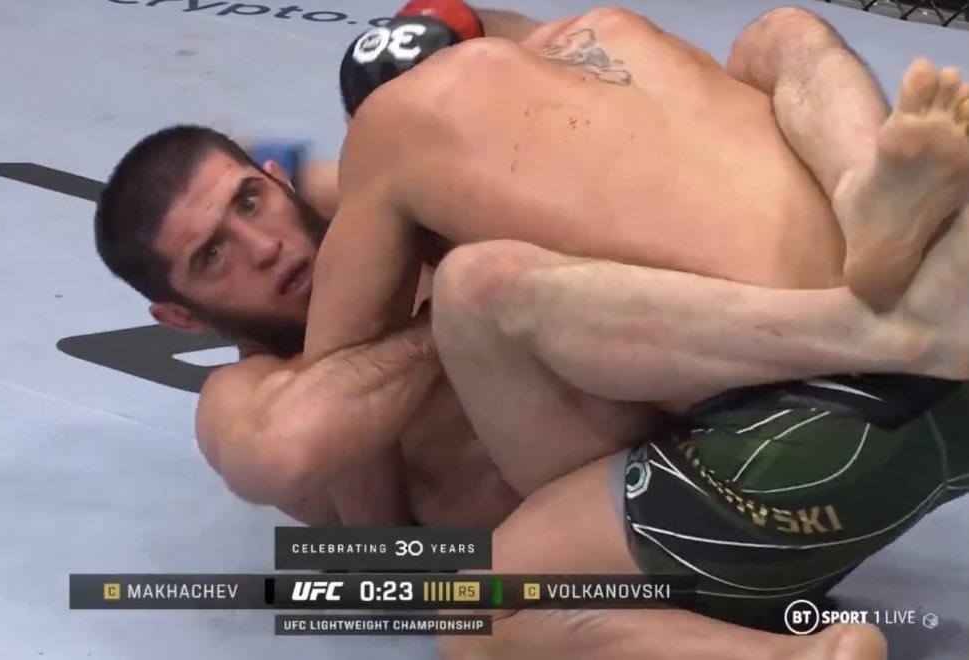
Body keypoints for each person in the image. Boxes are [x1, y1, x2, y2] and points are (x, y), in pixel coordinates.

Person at [91, 5, 968, 659]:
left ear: (275, 177)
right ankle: (878, 300)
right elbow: (296, 462)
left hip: (750, 448)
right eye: (213, 257)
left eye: (251, 202)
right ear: (178, 315)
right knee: (482, 290)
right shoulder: (249, 391)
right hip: (714, 495)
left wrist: (443, 46)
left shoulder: (386, 197)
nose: (263, 247)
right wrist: (429, 327)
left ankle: (866, 204)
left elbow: (482, 77)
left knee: (774, 36)